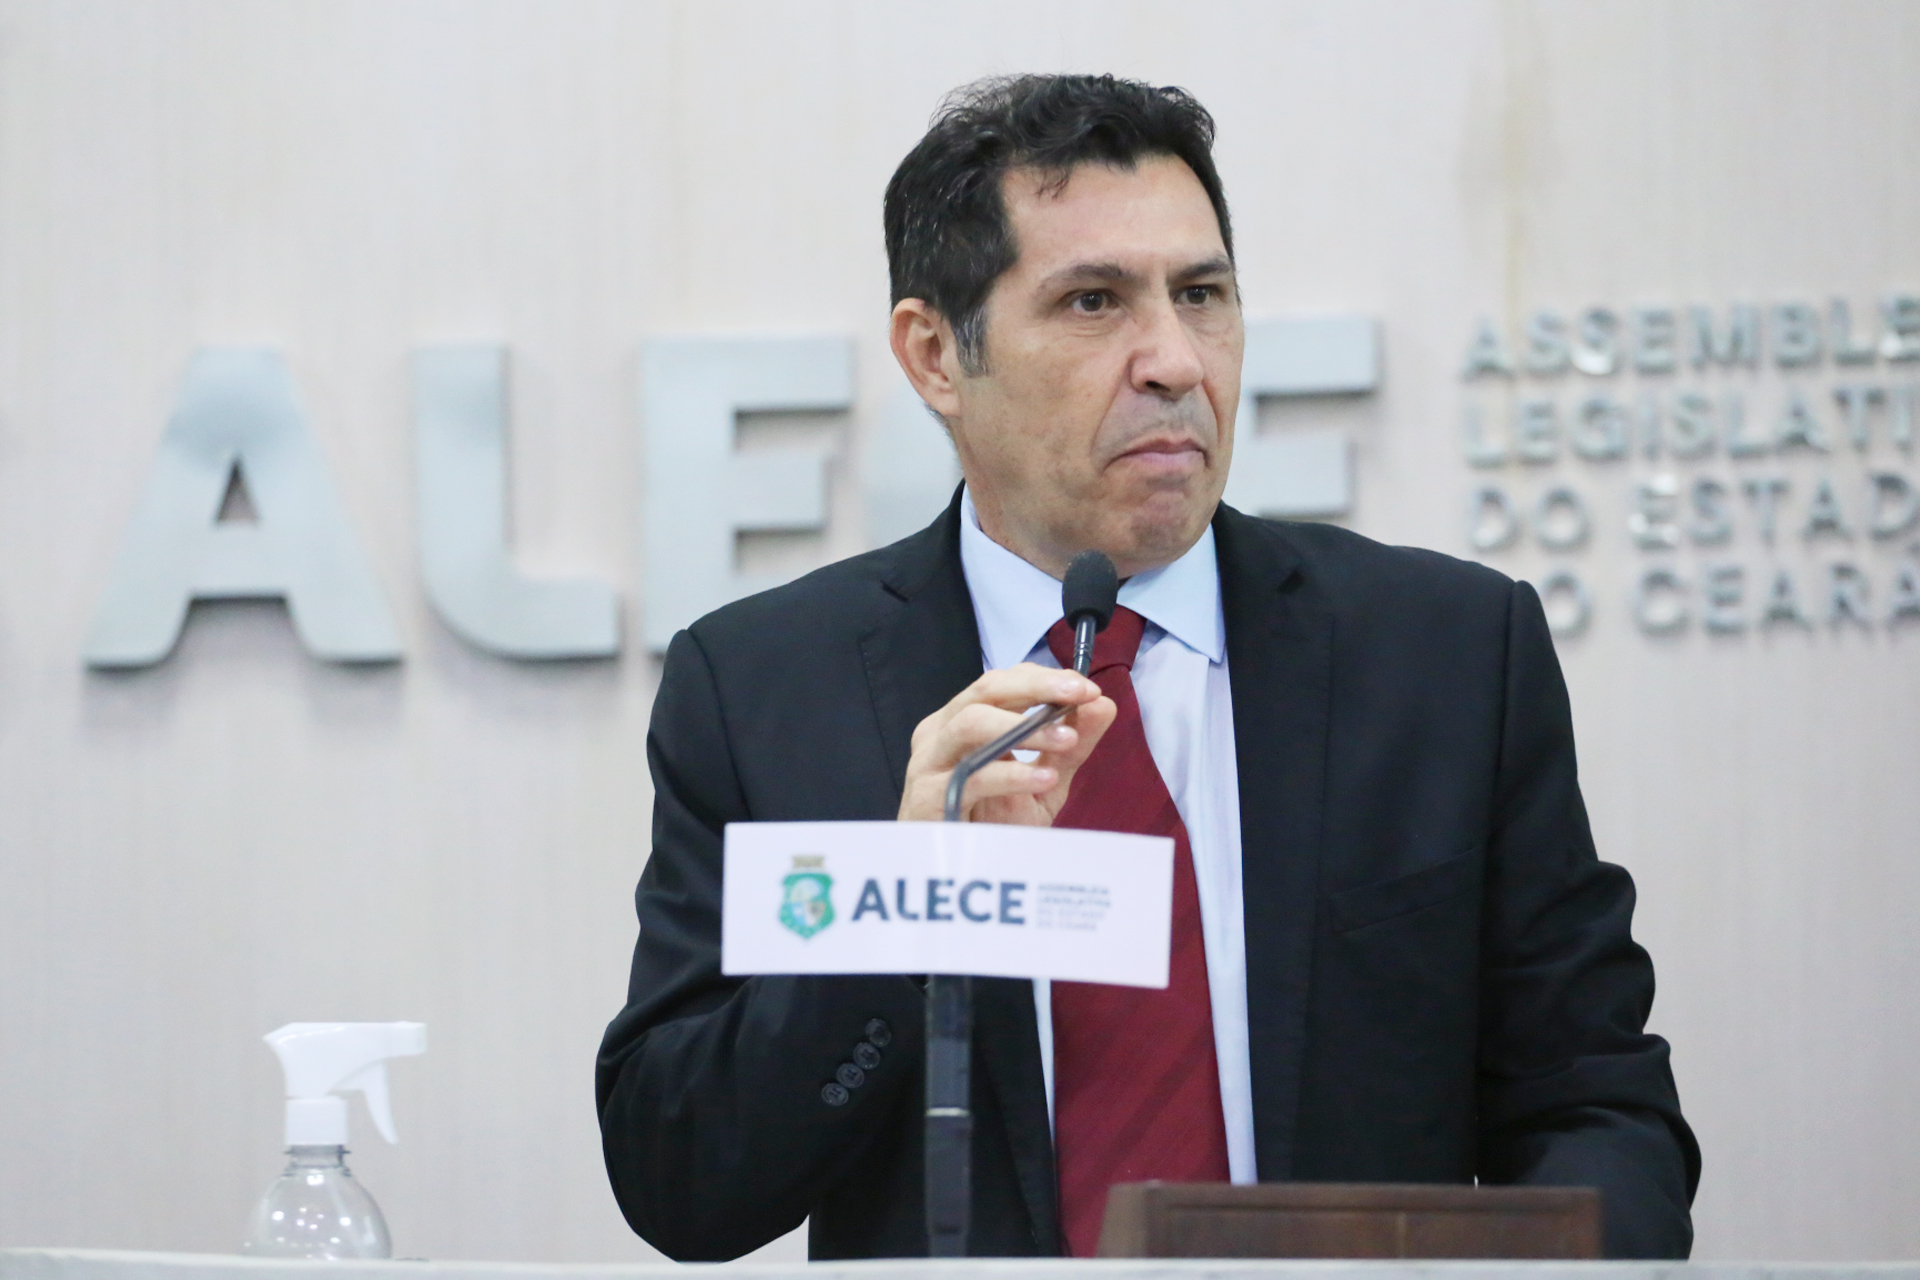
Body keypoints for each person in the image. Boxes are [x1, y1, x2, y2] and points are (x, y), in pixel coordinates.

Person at [596, 73, 1699, 1262]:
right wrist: (903, 900)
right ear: (935, 355)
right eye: (1094, 301)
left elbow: (1598, 1107)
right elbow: (681, 1176)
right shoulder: (762, 689)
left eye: (1202, 295)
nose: (1175, 359)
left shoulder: (1447, 655)